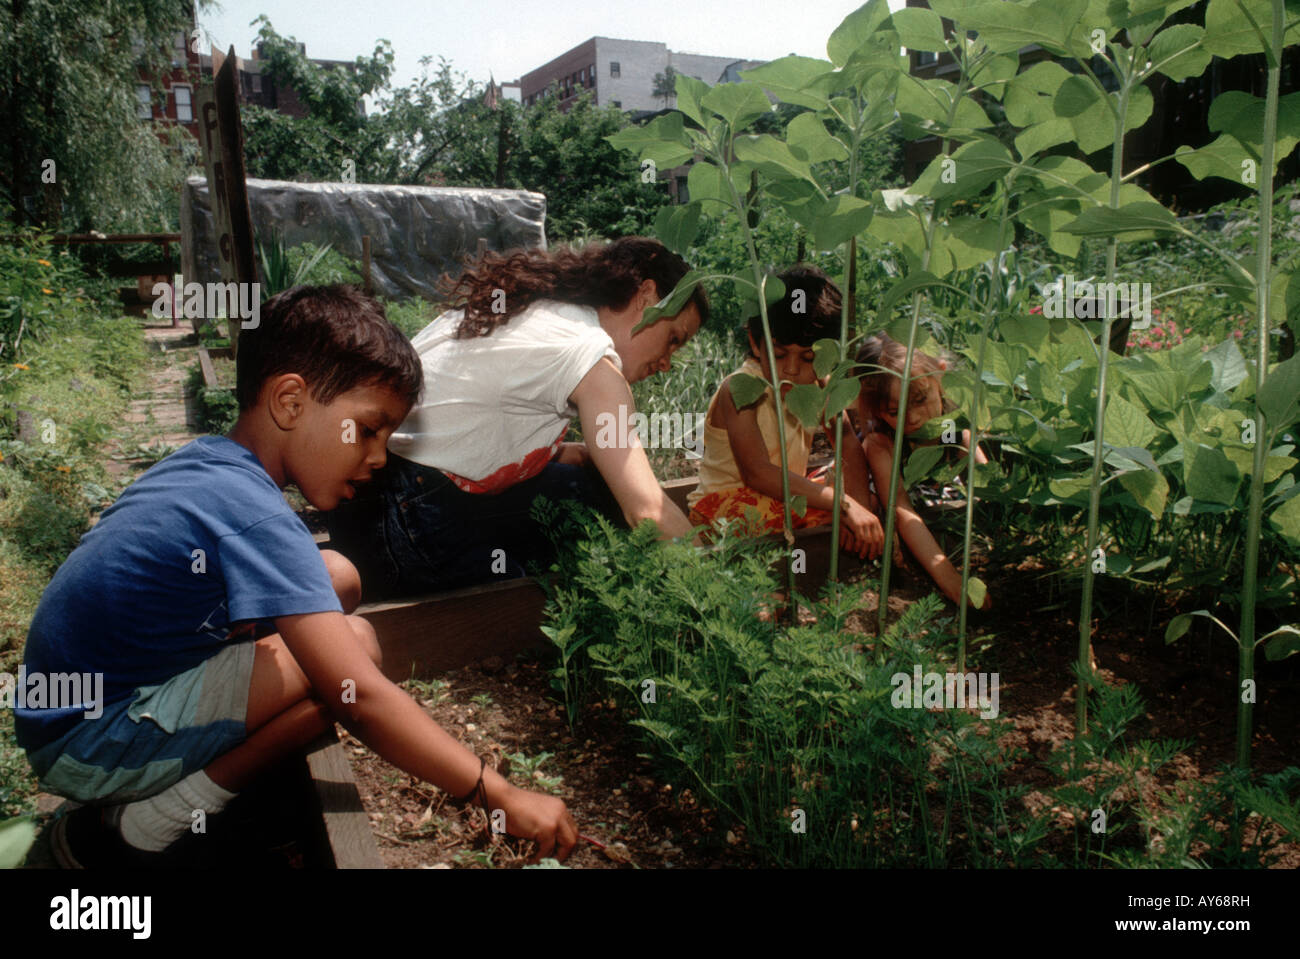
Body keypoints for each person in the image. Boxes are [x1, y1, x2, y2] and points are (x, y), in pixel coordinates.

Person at [15, 285, 578, 866]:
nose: (380, 457)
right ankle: (151, 820)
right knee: (351, 651)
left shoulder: (212, 463)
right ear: (290, 402)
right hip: (92, 742)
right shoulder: (254, 513)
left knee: (336, 576)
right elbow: (360, 700)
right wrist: (499, 793)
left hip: (64, 715)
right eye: (367, 429)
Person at [327, 236, 708, 597]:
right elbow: (645, 509)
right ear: (646, 295)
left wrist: (573, 452)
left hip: (362, 510)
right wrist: (727, 588)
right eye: (674, 339)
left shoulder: (537, 309)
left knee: (579, 481)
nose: (666, 363)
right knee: (555, 568)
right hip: (409, 528)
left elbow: (469, 424)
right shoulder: (591, 358)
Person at [687, 265, 884, 560]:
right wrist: (842, 504)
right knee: (799, 511)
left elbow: (849, 448)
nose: (791, 369)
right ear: (756, 342)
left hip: (784, 500)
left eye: (808, 358)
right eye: (779, 354)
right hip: (726, 508)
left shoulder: (820, 387)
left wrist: (860, 508)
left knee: (862, 503)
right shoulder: (740, 389)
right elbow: (758, 473)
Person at [856, 332, 992, 610]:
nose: (913, 418)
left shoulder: (955, 432)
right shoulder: (882, 444)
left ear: (940, 376)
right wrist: (953, 583)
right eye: (894, 412)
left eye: (919, 400)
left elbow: (991, 492)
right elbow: (901, 510)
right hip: (908, 524)